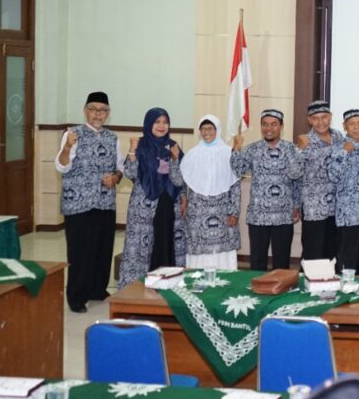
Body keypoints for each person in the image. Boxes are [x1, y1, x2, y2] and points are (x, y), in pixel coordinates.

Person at [54, 91, 122, 312]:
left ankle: (97, 290)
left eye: (102, 110)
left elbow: (119, 168)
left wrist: (115, 178)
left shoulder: (113, 138)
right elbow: (61, 166)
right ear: (85, 111)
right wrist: (67, 147)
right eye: (93, 109)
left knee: (102, 249)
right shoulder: (73, 134)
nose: (97, 114)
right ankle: (76, 296)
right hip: (78, 203)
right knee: (80, 252)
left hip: (104, 202)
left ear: (108, 113)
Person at [118, 108, 186, 288]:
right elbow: (130, 174)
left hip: (168, 205)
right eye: (157, 122)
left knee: (165, 244)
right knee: (143, 247)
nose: (162, 126)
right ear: (149, 124)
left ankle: (166, 285)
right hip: (144, 206)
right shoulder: (140, 145)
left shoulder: (173, 146)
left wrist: (175, 159)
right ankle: (137, 289)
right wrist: (132, 151)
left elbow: (180, 180)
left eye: (165, 122)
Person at [231, 109, 301, 271]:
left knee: (281, 261)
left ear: (281, 126)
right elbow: (239, 171)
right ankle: (256, 286)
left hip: (283, 214)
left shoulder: (292, 149)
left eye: (274, 124)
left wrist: (297, 204)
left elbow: (297, 178)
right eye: (265, 124)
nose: (269, 128)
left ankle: (281, 286)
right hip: (258, 215)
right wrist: (236, 149)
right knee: (257, 261)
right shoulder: (252, 149)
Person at [181, 115, 241, 270]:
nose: (206, 132)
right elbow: (183, 183)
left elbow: (235, 185)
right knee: (199, 250)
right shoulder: (192, 154)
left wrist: (234, 212)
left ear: (217, 130)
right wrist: (183, 202)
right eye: (203, 128)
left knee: (222, 251)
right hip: (197, 214)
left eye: (210, 128)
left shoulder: (228, 153)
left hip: (223, 212)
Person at [288, 100, 344, 260]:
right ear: (309, 120)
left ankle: (329, 278)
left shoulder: (338, 137)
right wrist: (300, 149)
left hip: (336, 207)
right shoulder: (305, 141)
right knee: (313, 254)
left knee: (332, 254)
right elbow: (293, 174)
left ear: (330, 117)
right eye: (315, 118)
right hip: (314, 208)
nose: (320, 122)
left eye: (324, 117)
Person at [328, 108, 359, 275]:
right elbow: (333, 175)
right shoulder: (338, 147)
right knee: (348, 262)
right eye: (352, 124)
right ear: (344, 126)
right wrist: (344, 152)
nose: (356, 127)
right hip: (349, 215)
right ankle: (345, 290)